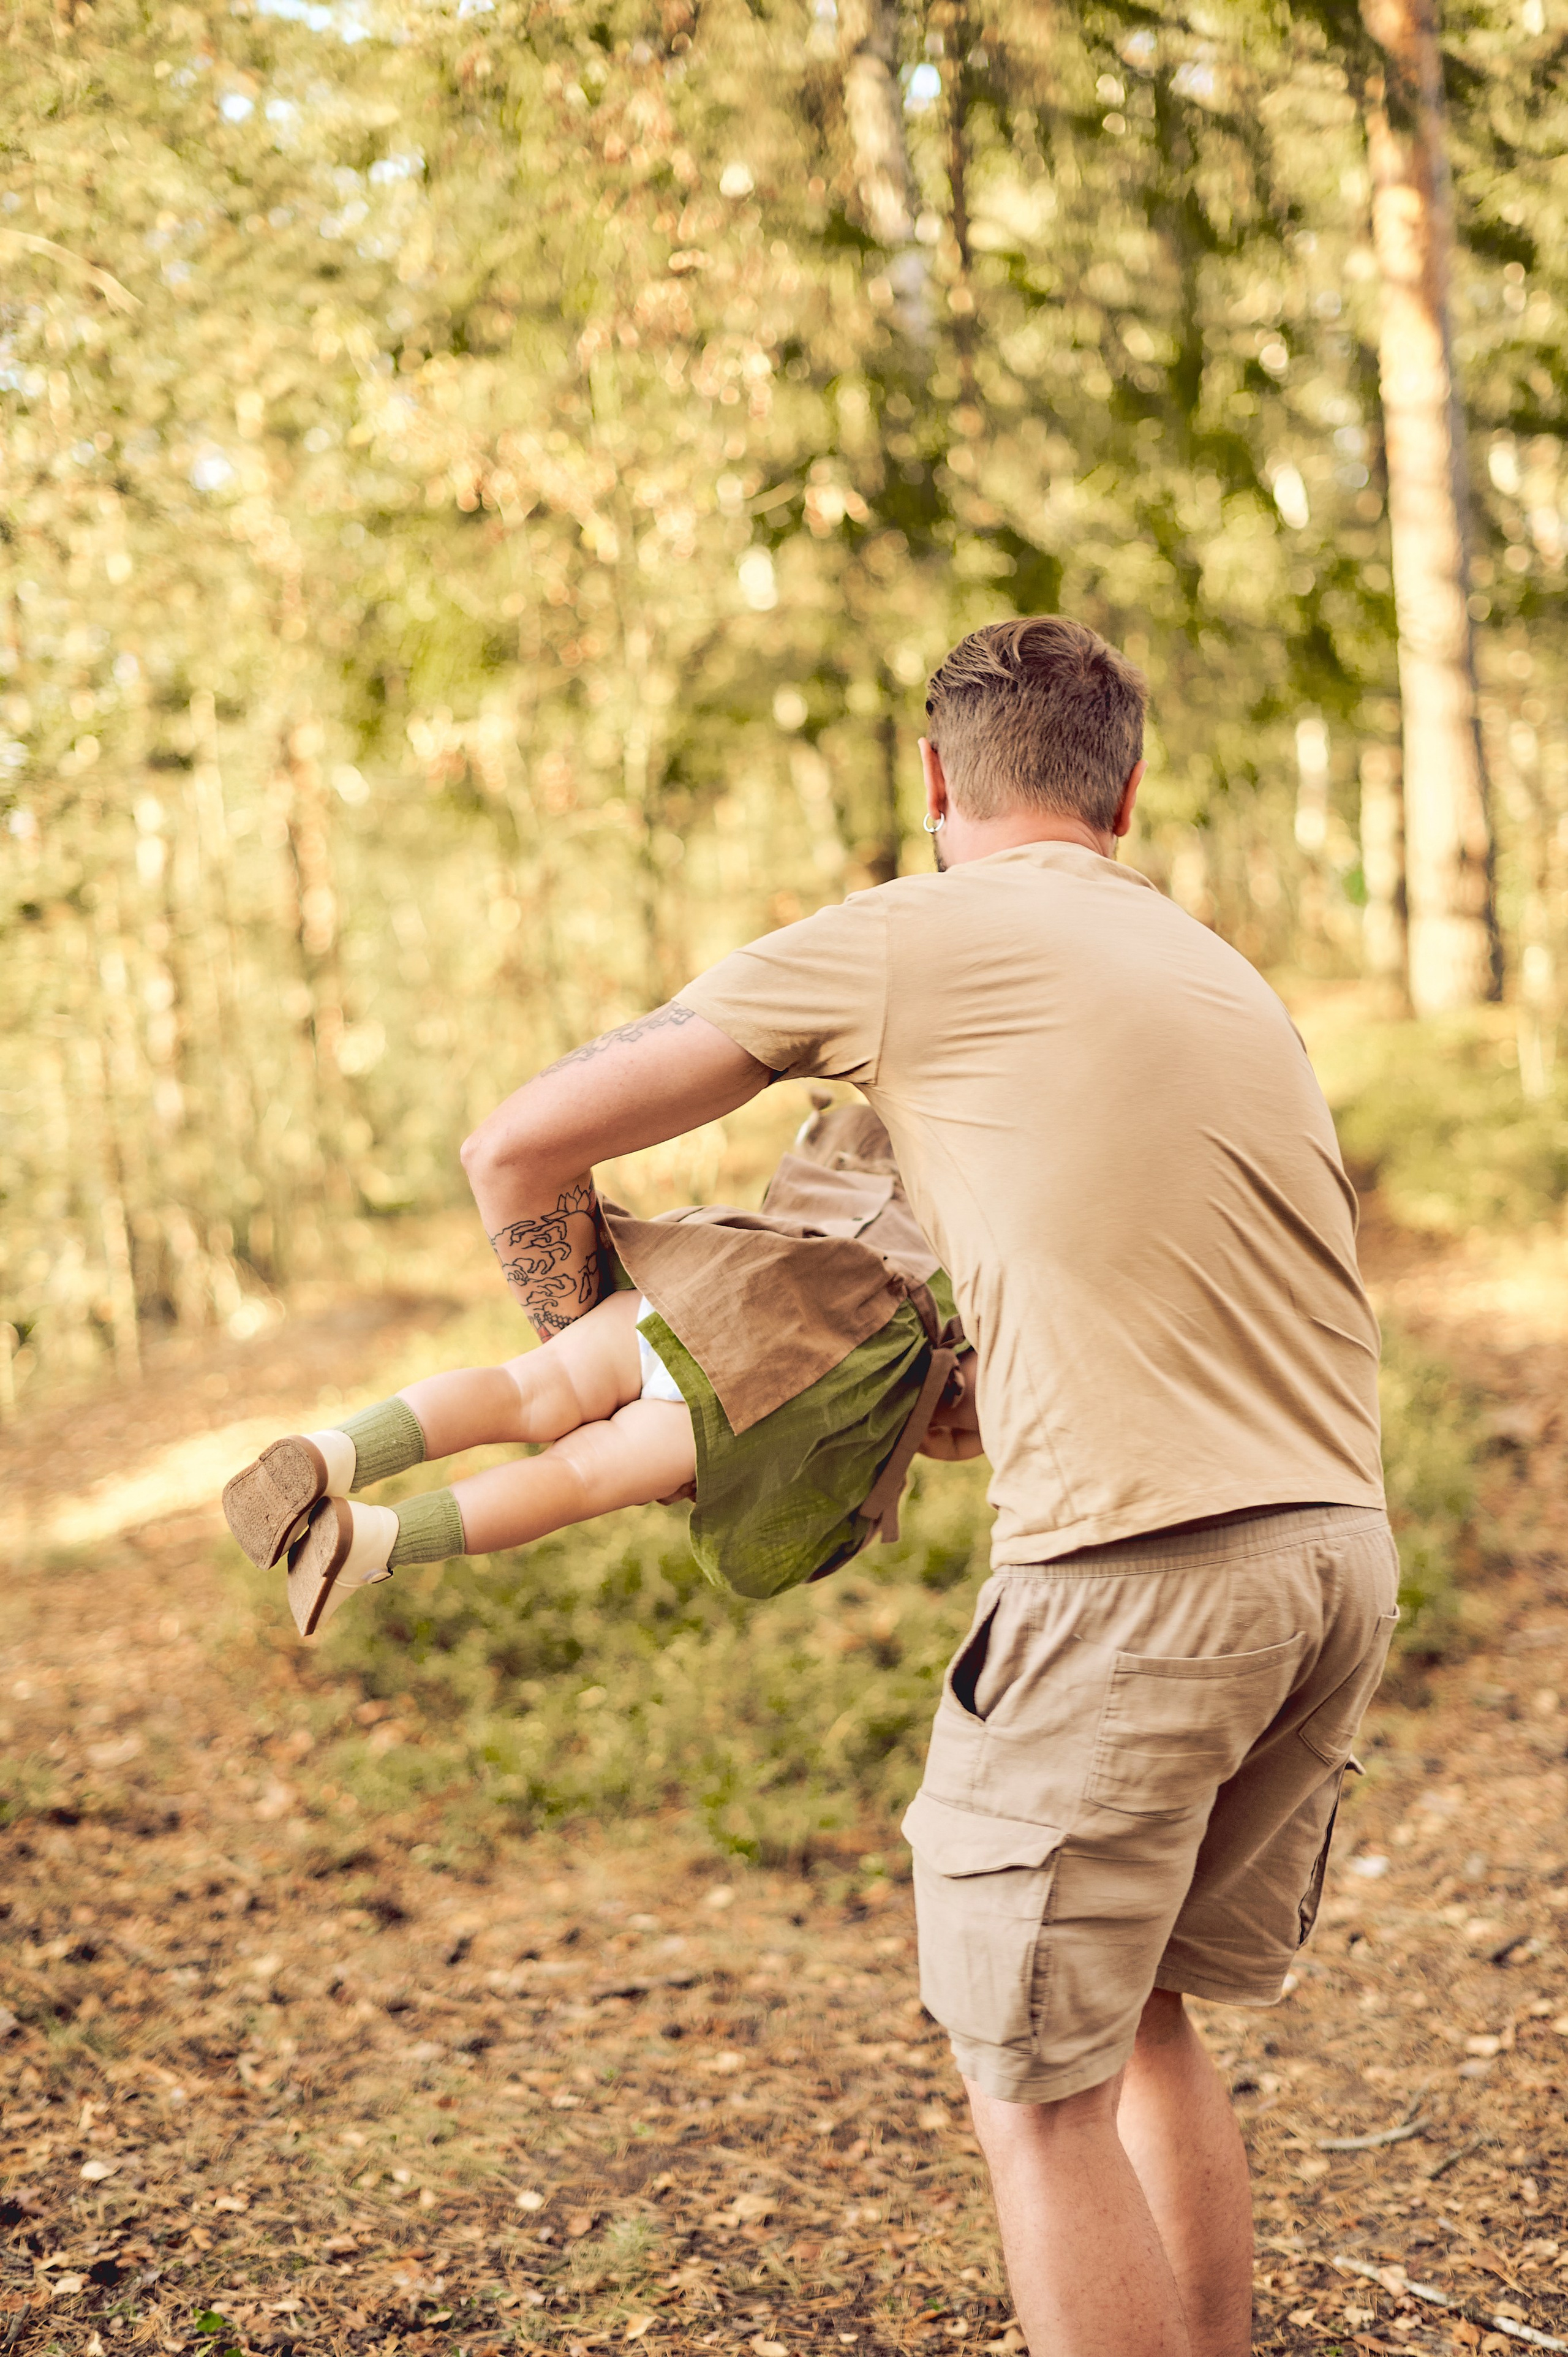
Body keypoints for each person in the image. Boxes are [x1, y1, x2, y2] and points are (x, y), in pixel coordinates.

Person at [453, 615, 1394, 2357]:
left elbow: (520, 1142)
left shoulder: (915, 932)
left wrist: (661, 1375)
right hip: (1333, 1555)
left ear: (940, 780)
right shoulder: (1216, 969)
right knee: (1142, 2020)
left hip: (1135, 1575)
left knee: (1032, 2094)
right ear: (1128, 791)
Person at [222, 1103, 977, 1637]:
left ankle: (329, 1452)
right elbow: (972, 1408)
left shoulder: (855, 1136)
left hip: (718, 1283)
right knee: (574, 1481)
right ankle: (376, 1538)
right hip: (794, 1371)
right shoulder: (990, 1231)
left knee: (523, 1388)